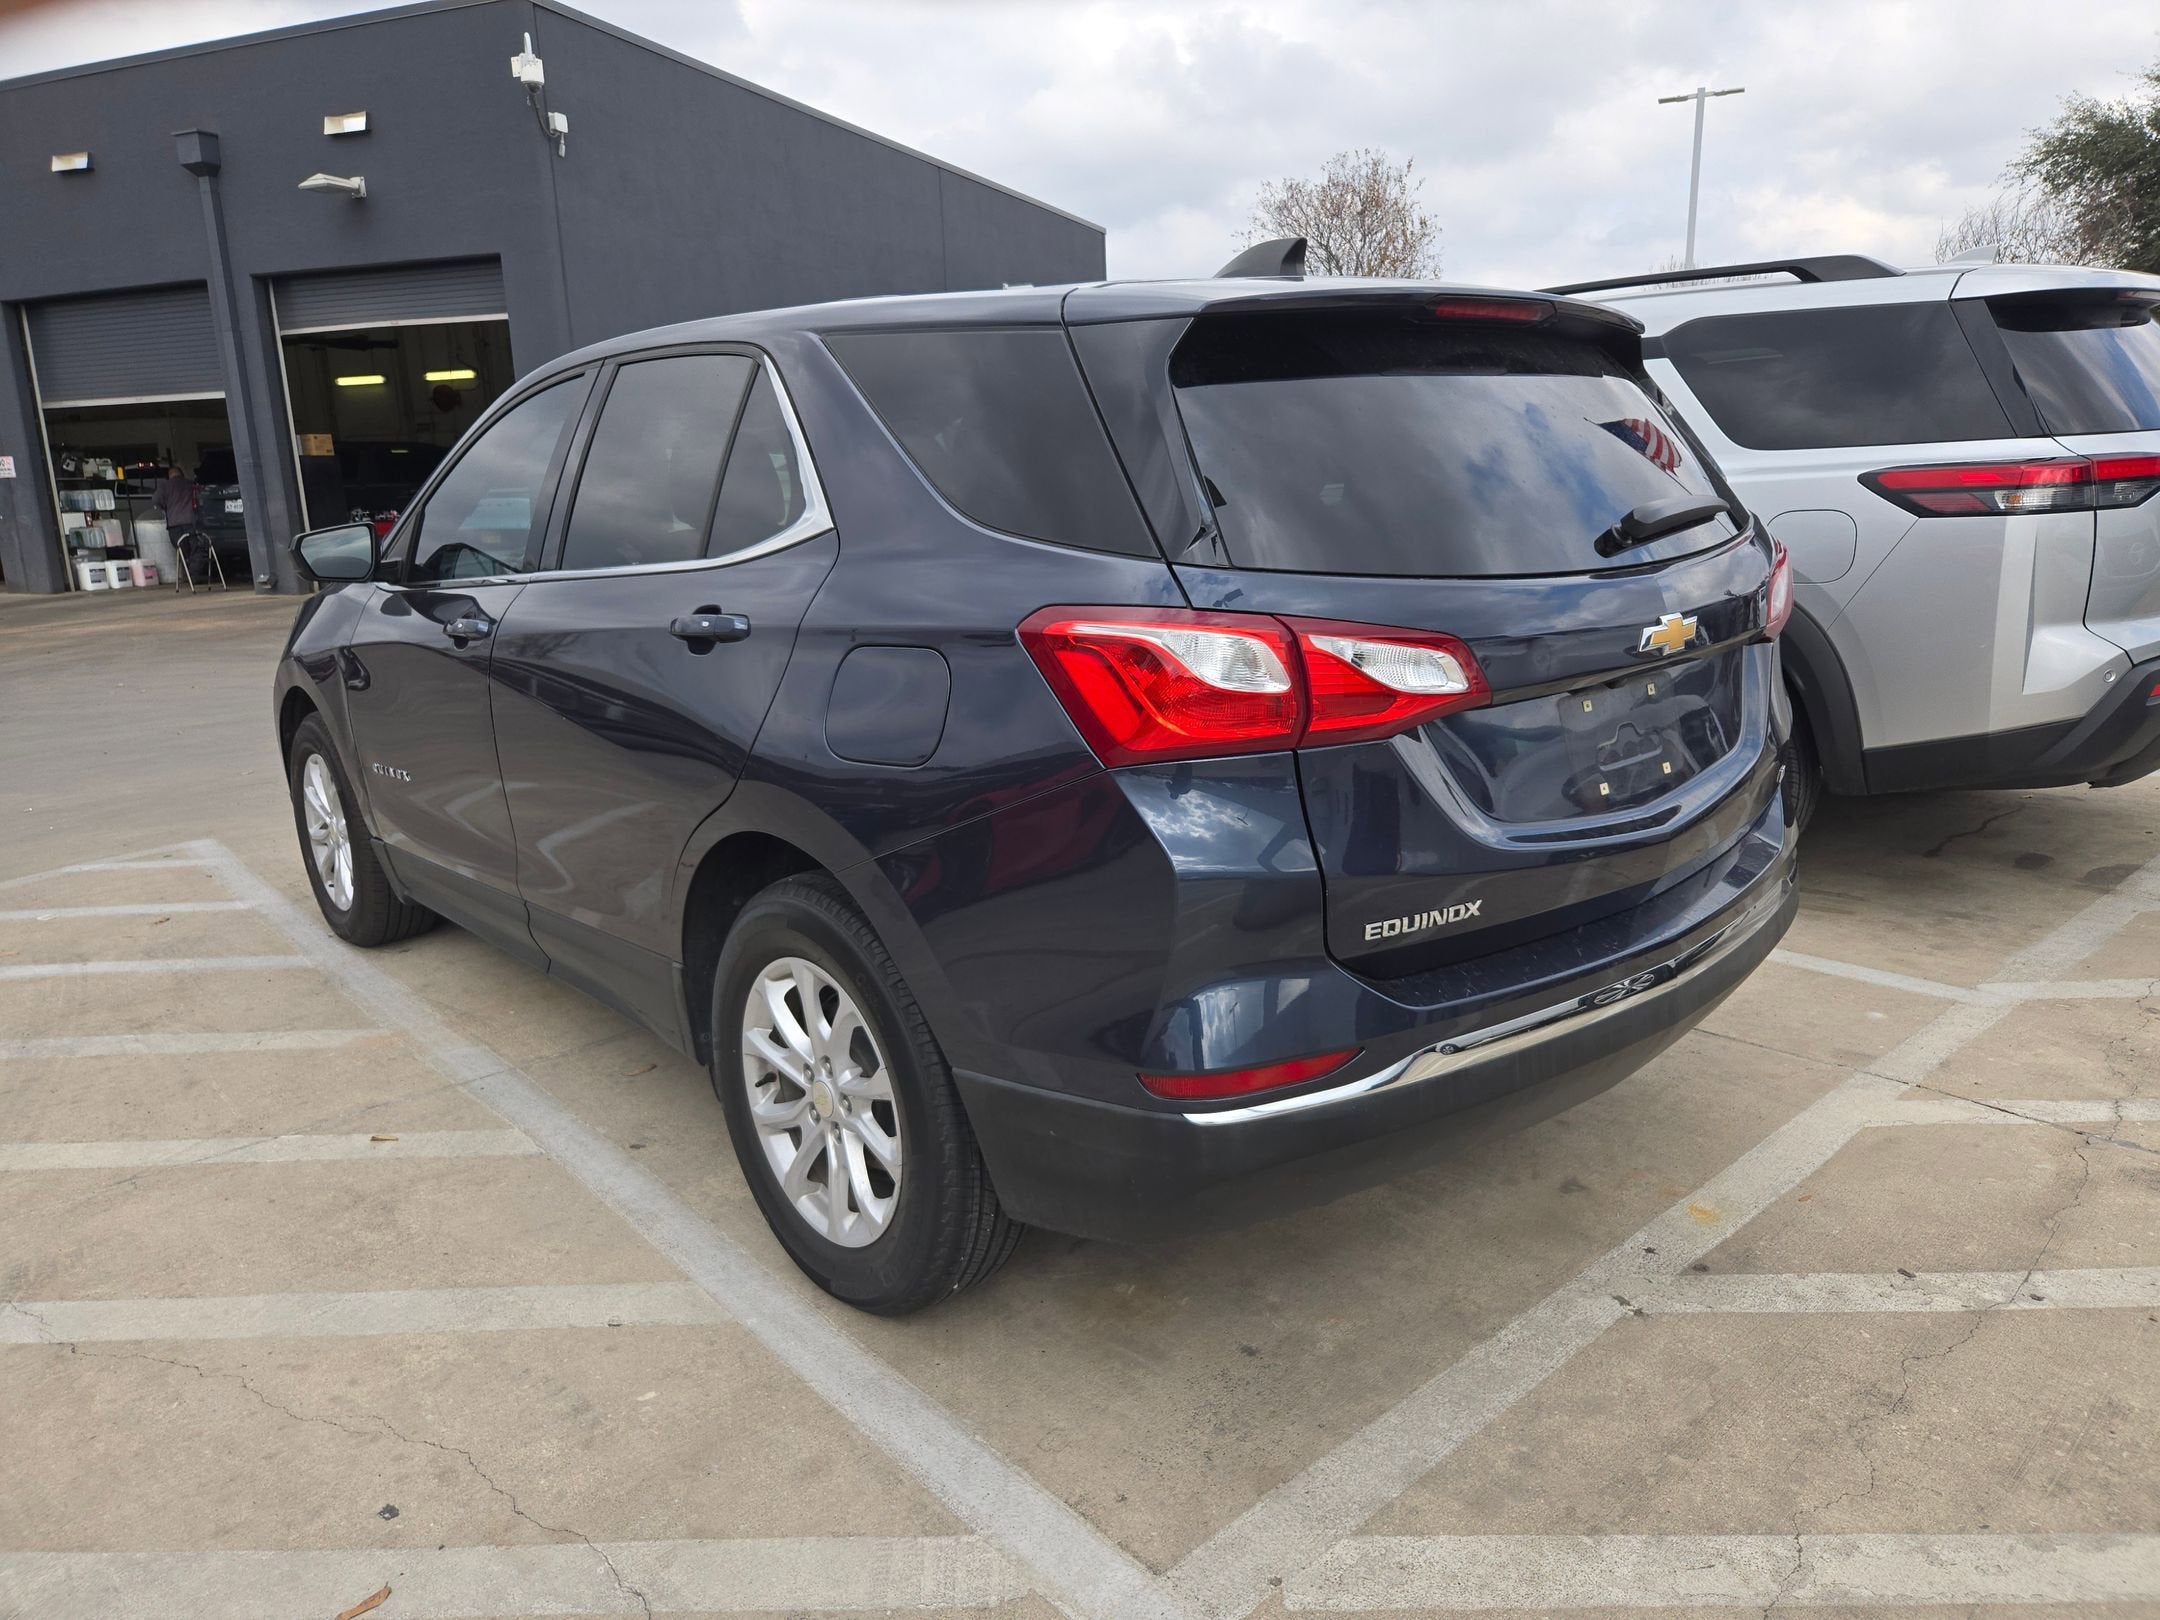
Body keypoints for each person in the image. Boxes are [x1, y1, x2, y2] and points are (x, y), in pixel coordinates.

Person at [153, 463, 199, 538]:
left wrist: (164, 506)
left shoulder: (164, 486)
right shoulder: (190, 484)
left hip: (174, 525)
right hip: (190, 522)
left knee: (180, 547)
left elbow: (155, 499)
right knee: (194, 547)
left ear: (169, 475)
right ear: (181, 474)